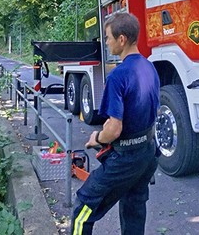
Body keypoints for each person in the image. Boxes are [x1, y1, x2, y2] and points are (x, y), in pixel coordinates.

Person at [71, 12, 159, 235]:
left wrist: (97, 138)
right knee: (133, 207)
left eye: (108, 37)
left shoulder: (118, 76)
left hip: (126, 158)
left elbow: (114, 129)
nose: (106, 42)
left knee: (83, 207)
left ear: (122, 39)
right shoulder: (149, 67)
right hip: (148, 153)